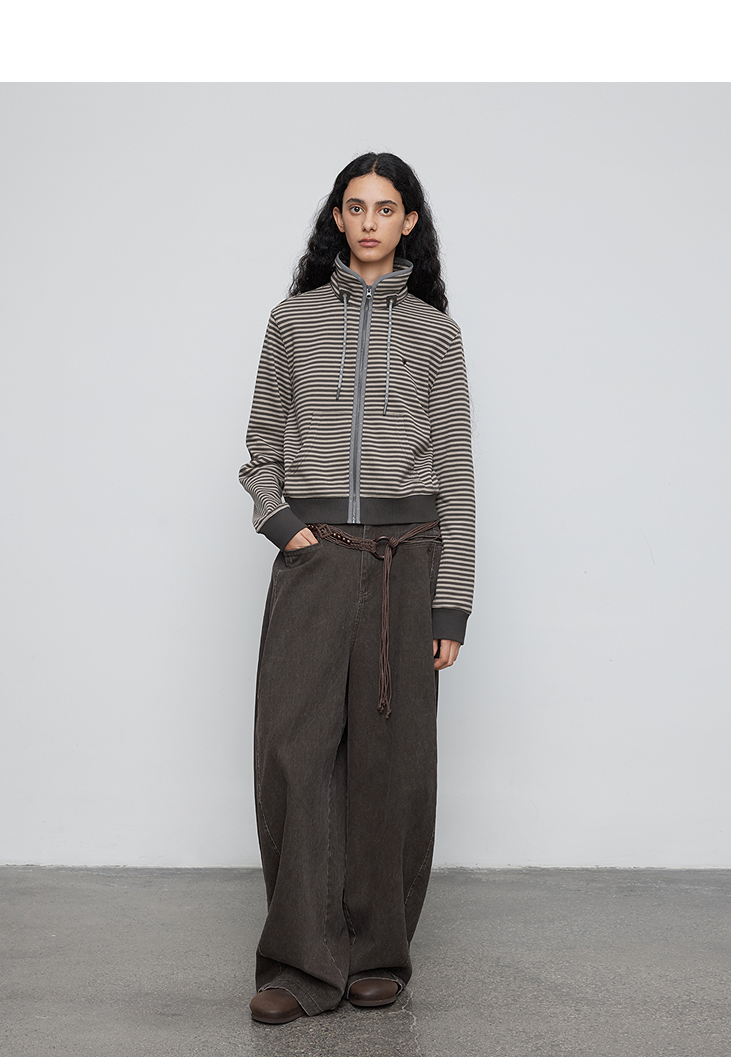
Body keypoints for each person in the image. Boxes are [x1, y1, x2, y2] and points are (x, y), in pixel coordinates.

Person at [239, 151, 475, 1025]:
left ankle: (379, 953)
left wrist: (451, 601)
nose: (369, 222)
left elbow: (458, 475)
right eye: (355, 206)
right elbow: (260, 448)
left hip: (406, 564)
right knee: (292, 757)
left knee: (392, 765)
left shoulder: (437, 334)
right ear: (337, 218)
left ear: (409, 221)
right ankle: (301, 962)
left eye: (385, 208)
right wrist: (286, 527)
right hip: (317, 559)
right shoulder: (292, 321)